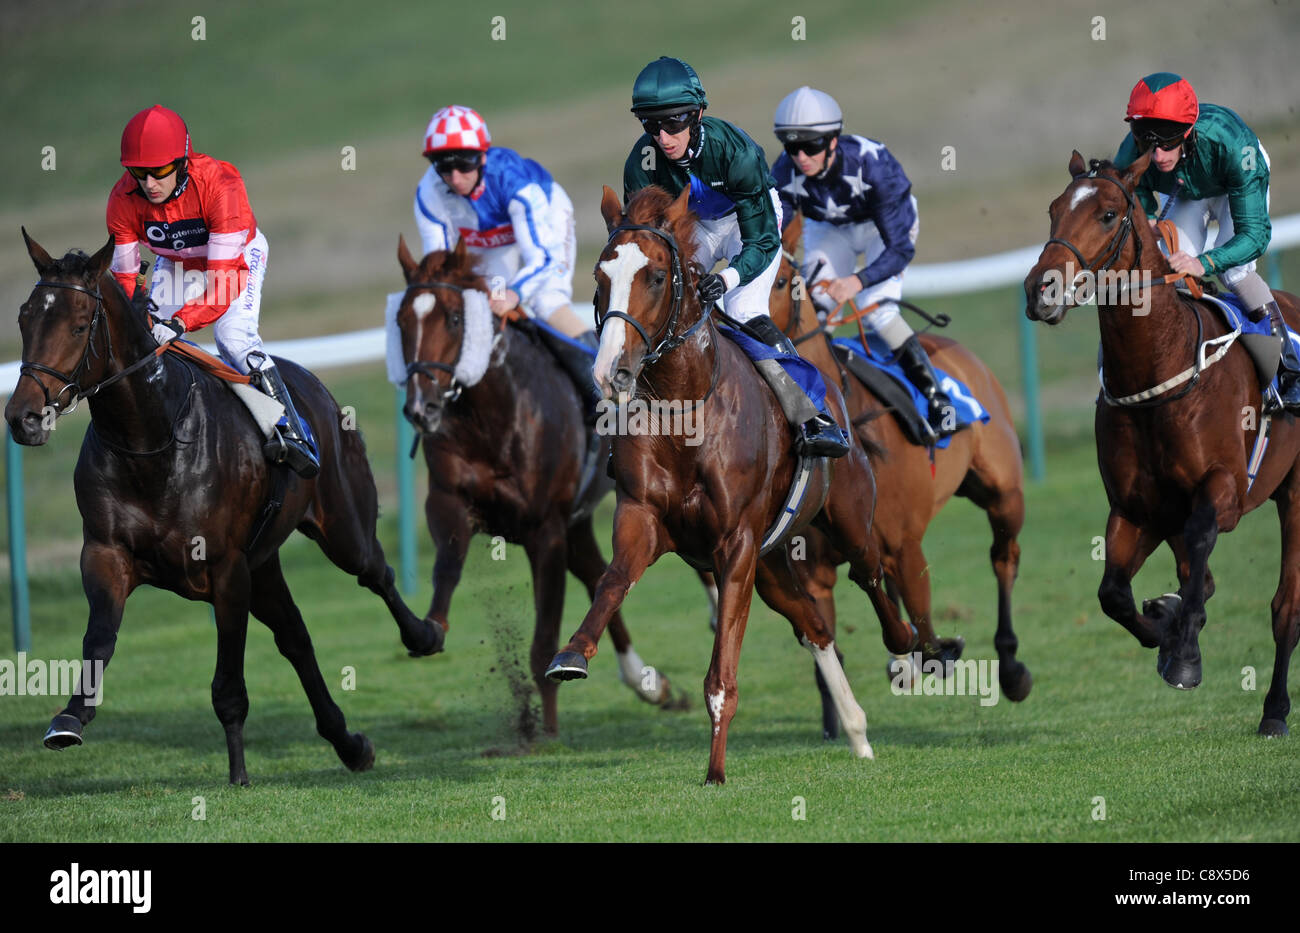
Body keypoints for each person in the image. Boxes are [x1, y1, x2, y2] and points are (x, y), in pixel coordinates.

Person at [623, 57, 849, 458]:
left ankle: (812, 414)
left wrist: (726, 278)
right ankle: (633, 420)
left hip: (750, 225)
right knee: (665, 305)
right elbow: (645, 244)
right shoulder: (641, 164)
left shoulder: (736, 151)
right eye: (650, 124)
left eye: (674, 122)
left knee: (741, 308)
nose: (663, 136)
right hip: (698, 227)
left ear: (697, 115)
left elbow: (761, 242)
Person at [107, 104, 318, 477]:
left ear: (183, 162)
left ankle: (294, 431)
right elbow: (125, 279)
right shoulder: (122, 199)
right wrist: (138, 314)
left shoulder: (221, 185)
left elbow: (223, 283)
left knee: (232, 337)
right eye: (138, 172)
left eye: (159, 171)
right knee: (142, 338)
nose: (148, 183)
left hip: (234, 260)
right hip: (176, 263)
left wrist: (180, 322)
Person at [771, 86, 952, 439]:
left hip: (881, 229)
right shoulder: (783, 172)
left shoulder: (875, 165)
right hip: (830, 227)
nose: (801, 157)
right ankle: (812, 401)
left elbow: (900, 248)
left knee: (875, 308)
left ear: (834, 141)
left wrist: (856, 282)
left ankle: (937, 399)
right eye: (792, 147)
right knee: (815, 306)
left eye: (811, 146)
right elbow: (779, 240)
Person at [1114, 72, 1300, 414]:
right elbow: (1131, 188)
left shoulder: (1233, 144)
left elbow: (1255, 236)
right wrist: (1149, 215)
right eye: (1146, 141)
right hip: (1189, 187)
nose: (1157, 156)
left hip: (1232, 184)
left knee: (1235, 274)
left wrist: (1204, 263)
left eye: (1167, 141)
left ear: (1187, 132)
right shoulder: (1132, 151)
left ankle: (1290, 364)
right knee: (1168, 265)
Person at [410, 105, 600, 420]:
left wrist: (514, 295)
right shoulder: (429, 193)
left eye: (464, 164)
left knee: (545, 302)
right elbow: (442, 270)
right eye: (443, 167)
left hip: (543, 227)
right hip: (489, 242)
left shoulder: (515, 183)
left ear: (483, 156)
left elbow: (542, 258)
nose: (455, 178)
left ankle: (604, 396)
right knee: (476, 307)